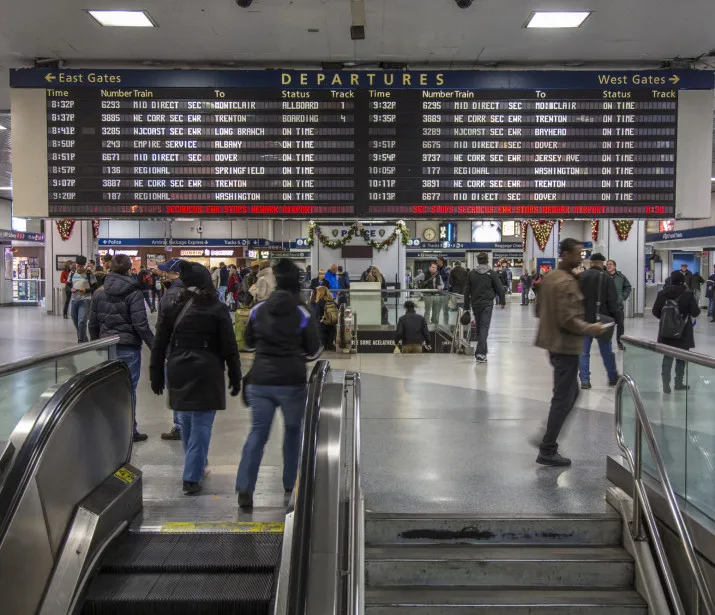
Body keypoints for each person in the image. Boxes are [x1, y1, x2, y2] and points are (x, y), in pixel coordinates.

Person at [150, 261, 241, 496]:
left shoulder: (172, 306)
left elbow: (160, 343)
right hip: (206, 368)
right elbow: (229, 346)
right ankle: (191, 476)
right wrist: (235, 373)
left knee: (188, 422)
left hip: (179, 367)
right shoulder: (216, 308)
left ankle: (197, 466)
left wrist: (156, 374)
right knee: (201, 423)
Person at [236, 259, 321, 509]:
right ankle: (290, 482)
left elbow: (249, 342)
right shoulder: (302, 311)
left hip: (260, 381)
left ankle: (245, 488)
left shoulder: (258, 309)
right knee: (293, 432)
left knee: (257, 433)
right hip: (291, 382)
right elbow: (314, 349)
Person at [534, 238, 605, 466]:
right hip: (565, 345)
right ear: (565, 254)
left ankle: (547, 437)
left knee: (570, 393)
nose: (581, 257)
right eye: (577, 253)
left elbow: (538, 310)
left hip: (554, 344)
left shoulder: (551, 278)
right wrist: (591, 328)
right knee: (564, 397)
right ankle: (547, 447)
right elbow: (568, 320)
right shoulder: (564, 282)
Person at [88, 254, 155, 442]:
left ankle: (107, 427)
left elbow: (92, 323)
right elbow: (140, 324)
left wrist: (96, 344)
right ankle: (129, 430)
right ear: (128, 270)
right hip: (128, 346)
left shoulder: (99, 292)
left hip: (107, 345)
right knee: (128, 389)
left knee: (108, 387)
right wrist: (154, 346)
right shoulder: (134, 292)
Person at [652, 271, 700, 393]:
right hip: (683, 331)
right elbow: (695, 312)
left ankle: (665, 385)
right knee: (681, 358)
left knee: (667, 357)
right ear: (683, 281)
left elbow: (655, 311)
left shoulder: (662, 293)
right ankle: (678, 383)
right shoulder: (688, 294)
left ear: (671, 280)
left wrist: (666, 320)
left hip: (666, 331)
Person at [578, 253, 619, 389]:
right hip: (602, 320)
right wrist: (616, 318)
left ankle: (585, 380)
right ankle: (612, 377)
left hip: (584, 320)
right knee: (606, 351)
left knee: (583, 352)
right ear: (602, 264)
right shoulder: (607, 278)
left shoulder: (581, 277)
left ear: (591, 263)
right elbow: (613, 301)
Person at [156, 258, 186, 441]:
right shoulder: (195, 291)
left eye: (167, 272)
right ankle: (186, 423)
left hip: (174, 351)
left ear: (177, 274)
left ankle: (180, 426)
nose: (163, 274)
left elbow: (165, 327)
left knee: (175, 388)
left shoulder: (171, 295)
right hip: (192, 349)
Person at [463, 252, 505, 364]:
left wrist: (466, 306)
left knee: (479, 328)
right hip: (487, 305)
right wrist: (502, 301)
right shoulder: (491, 273)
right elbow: (499, 288)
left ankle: (483, 351)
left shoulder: (471, 273)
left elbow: (467, 291)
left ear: (478, 260)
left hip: (475, 304)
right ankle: (480, 354)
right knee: (484, 328)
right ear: (487, 260)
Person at [68, 256, 97, 344]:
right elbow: (68, 284)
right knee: (75, 320)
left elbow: (95, 287)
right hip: (74, 300)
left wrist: (86, 290)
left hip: (85, 300)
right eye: (78, 266)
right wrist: (71, 289)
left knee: (82, 321)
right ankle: (84, 337)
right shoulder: (72, 272)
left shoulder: (89, 274)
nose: (79, 268)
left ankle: (81, 341)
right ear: (76, 265)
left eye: (81, 266)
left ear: (84, 266)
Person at [606, 259, 632, 351]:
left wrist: (623, 297)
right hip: (607, 307)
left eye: (610, 264)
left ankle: (620, 343)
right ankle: (607, 343)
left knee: (620, 325)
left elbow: (628, 287)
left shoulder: (621, 277)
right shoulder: (604, 276)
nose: (608, 266)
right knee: (607, 326)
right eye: (607, 264)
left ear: (614, 266)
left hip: (618, 306)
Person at [313, 285, 339, 350]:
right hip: (332, 323)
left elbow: (317, 314)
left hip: (323, 324)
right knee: (331, 333)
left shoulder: (319, 303)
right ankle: (330, 345)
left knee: (322, 340)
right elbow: (338, 309)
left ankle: (324, 346)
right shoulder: (332, 301)